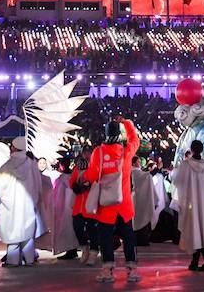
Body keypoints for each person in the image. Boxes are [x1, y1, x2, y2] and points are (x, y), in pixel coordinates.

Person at [83, 117, 141, 283]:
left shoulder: (98, 152)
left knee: (105, 239)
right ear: (119, 134)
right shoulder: (126, 151)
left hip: (106, 206)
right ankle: (132, 271)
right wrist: (127, 123)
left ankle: (107, 272)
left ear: (106, 134)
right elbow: (135, 139)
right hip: (124, 205)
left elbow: (91, 176)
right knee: (129, 238)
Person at [171, 139, 204, 271]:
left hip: (191, 205)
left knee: (193, 231)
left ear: (191, 150)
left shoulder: (185, 165)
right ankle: (196, 261)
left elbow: (177, 181)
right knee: (201, 231)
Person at [0, 136, 42, 267]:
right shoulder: (32, 165)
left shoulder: (6, 166)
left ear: (14, 148)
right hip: (28, 205)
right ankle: (29, 259)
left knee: (13, 234)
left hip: (10, 207)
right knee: (28, 234)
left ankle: (12, 260)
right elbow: (38, 185)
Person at [69, 146, 99, 265]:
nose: (86, 155)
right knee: (77, 227)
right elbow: (72, 181)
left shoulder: (96, 166)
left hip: (91, 204)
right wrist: (75, 186)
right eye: (85, 153)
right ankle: (84, 248)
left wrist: (89, 185)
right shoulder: (78, 167)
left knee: (93, 230)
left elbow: (98, 181)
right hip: (79, 205)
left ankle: (93, 252)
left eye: (89, 153)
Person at [51, 158, 79, 259]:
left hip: (64, 207)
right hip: (72, 205)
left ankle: (70, 250)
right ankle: (72, 249)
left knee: (67, 228)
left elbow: (57, 194)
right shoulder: (72, 176)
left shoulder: (62, 179)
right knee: (71, 228)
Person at [130, 156, 156, 246]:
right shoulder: (134, 172)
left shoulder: (137, 171)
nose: (140, 163)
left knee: (141, 218)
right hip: (138, 198)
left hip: (139, 198)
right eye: (138, 161)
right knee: (140, 218)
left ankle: (142, 239)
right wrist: (155, 170)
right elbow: (146, 176)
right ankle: (140, 240)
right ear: (134, 163)